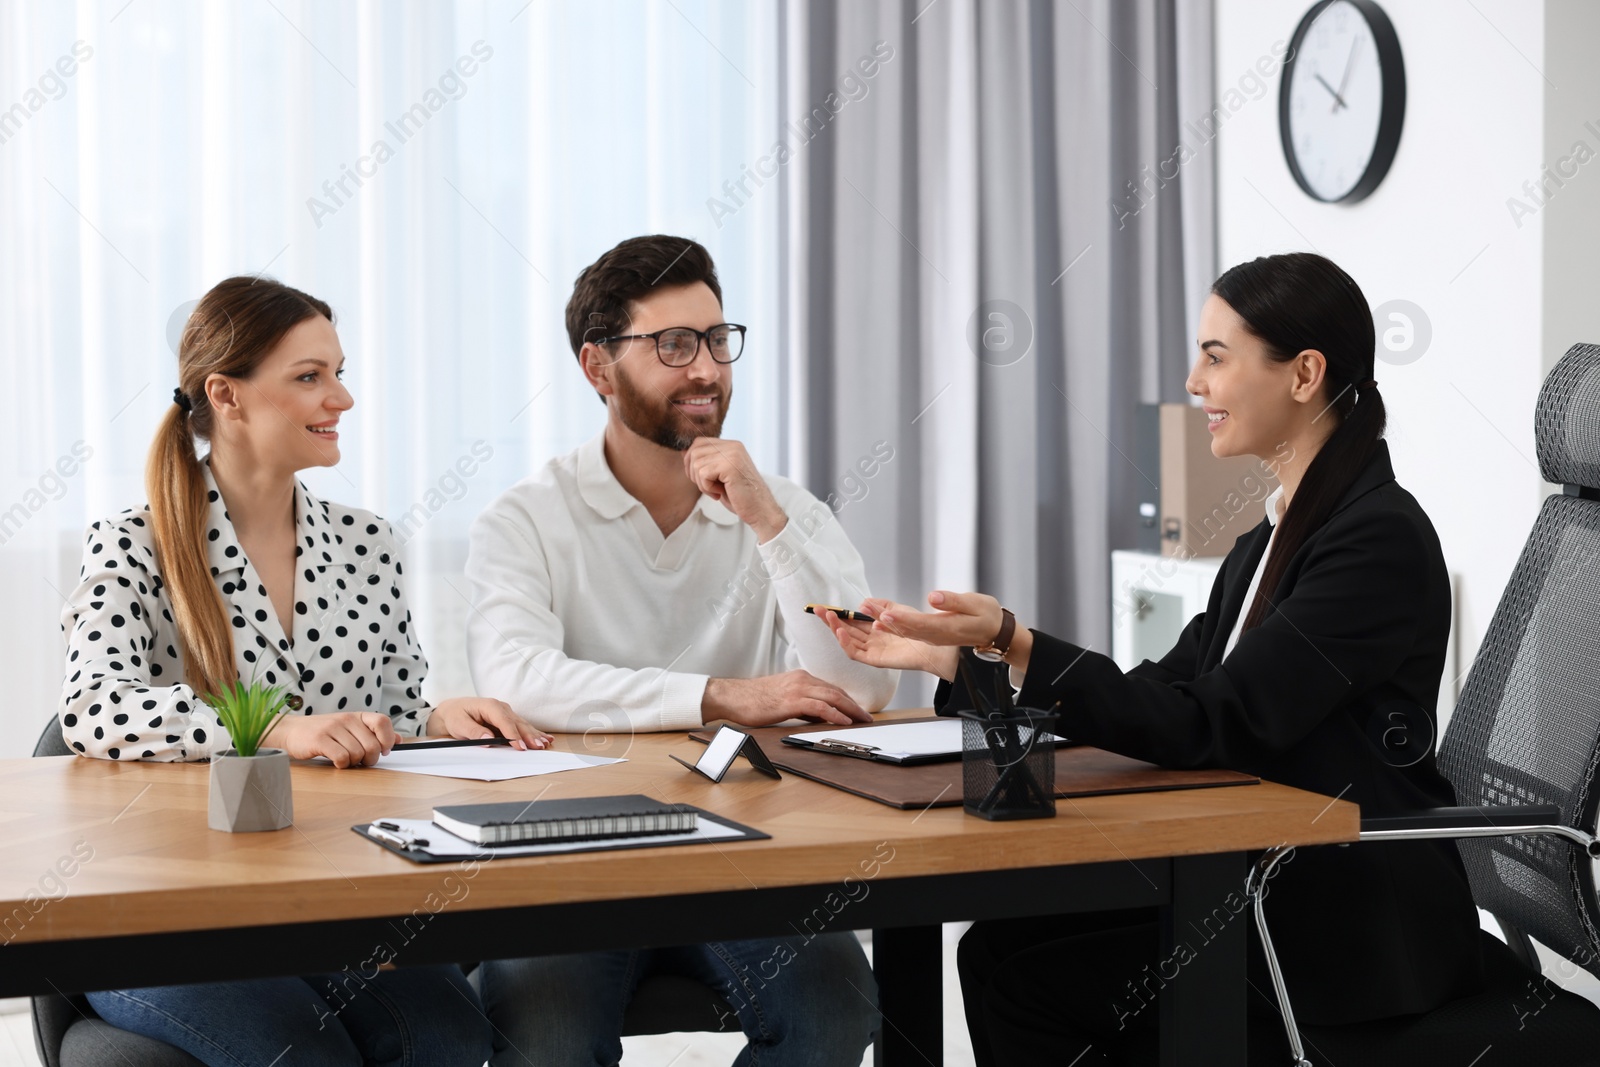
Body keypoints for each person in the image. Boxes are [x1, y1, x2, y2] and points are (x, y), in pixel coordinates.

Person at [823, 252, 1487, 1064]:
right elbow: (1159, 693)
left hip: (1341, 920)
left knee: (1028, 983)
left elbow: (1206, 723)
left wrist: (1012, 637)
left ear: (1305, 373)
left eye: (1216, 355)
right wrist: (961, 665)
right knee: (995, 946)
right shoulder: (1272, 536)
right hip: (1262, 877)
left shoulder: (1374, 541)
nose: (1193, 382)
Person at [58, 276, 545, 1066]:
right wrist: (273, 730)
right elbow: (92, 707)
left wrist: (436, 717)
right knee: (305, 1056)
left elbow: (390, 707)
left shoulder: (368, 542)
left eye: (339, 372)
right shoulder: (133, 541)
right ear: (229, 395)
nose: (342, 398)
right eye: (310, 376)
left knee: (448, 1035)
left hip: (329, 902)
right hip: (162, 917)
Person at [465, 235, 891, 1065]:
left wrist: (768, 522)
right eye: (673, 345)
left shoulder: (782, 509)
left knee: (835, 1013)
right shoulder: (524, 520)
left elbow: (857, 687)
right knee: (545, 1035)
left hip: (746, 863)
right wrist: (725, 695)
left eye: (716, 340)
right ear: (598, 367)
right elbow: (520, 678)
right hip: (569, 869)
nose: (706, 369)